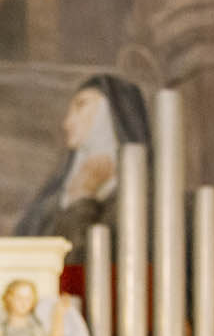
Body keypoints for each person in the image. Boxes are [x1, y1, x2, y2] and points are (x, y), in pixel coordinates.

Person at [15, 73, 149, 252]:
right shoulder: (54, 197)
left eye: (81, 105)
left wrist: (82, 195)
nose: (67, 123)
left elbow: (84, 258)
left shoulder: (144, 201)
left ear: (113, 112)